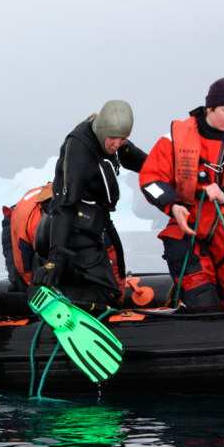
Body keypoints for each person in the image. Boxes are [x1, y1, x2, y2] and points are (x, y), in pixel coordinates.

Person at [139, 77, 224, 308]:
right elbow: (151, 179)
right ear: (210, 107)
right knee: (203, 301)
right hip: (187, 229)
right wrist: (172, 205)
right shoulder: (173, 140)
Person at [31, 100, 147, 307]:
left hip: (84, 230)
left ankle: (52, 295)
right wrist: (56, 257)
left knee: (97, 291)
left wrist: (167, 172)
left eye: (123, 139)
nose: (117, 144)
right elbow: (65, 206)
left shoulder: (108, 139)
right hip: (73, 232)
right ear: (101, 130)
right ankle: (42, 298)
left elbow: (137, 159)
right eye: (114, 138)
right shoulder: (79, 152)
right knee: (108, 298)